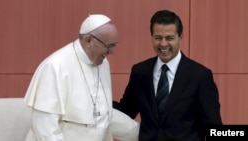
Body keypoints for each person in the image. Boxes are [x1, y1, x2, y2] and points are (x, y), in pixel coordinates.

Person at [24, 14, 139, 141]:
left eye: (113, 45)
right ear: (88, 40)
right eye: (108, 46)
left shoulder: (103, 63)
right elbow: (45, 128)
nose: (111, 52)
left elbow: (103, 114)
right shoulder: (55, 66)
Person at [113, 9, 222, 141]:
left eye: (169, 38)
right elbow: (126, 111)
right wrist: (98, 101)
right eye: (158, 38)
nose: (163, 44)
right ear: (151, 37)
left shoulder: (200, 76)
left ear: (180, 37)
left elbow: (213, 127)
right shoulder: (140, 72)